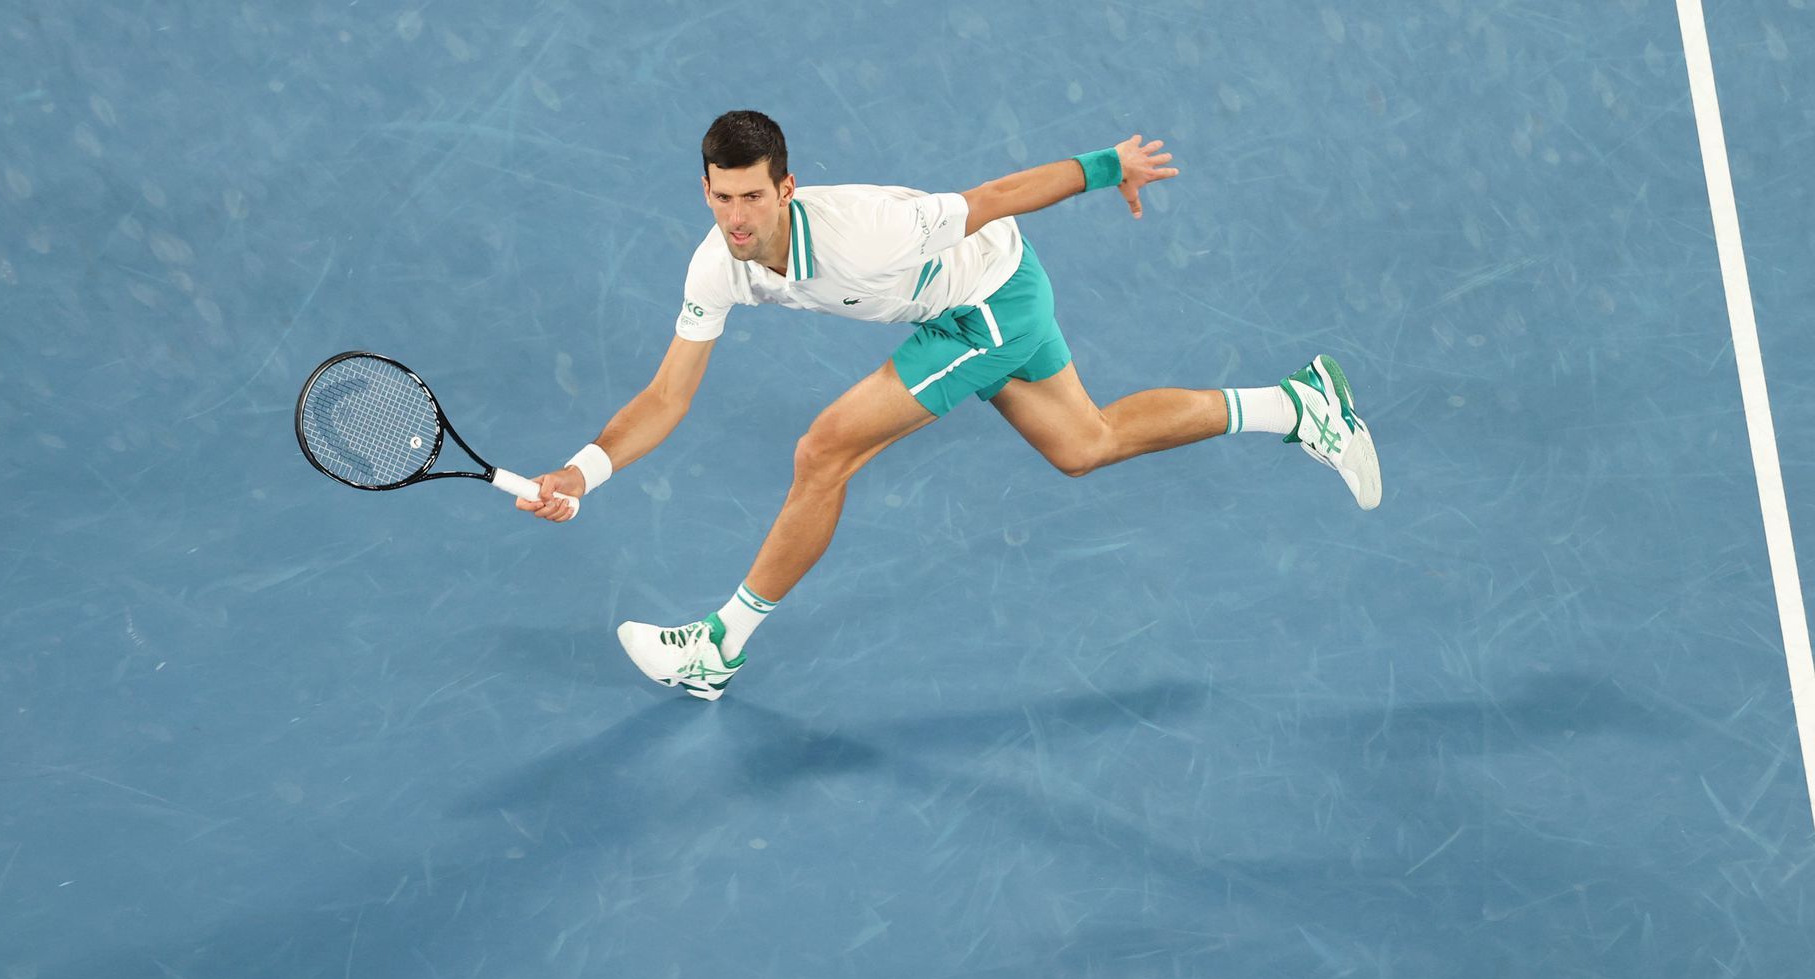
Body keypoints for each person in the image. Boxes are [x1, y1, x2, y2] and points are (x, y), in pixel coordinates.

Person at [517, 110, 1380, 700]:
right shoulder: (718, 262)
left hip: (986, 304)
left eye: (751, 196)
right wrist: (583, 473)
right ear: (705, 189)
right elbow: (669, 394)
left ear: (786, 189)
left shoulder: (869, 233)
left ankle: (720, 646)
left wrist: (1108, 165)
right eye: (720, 195)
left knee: (824, 450)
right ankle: (1300, 406)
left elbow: (994, 198)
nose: (735, 217)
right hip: (1004, 285)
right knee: (1086, 443)